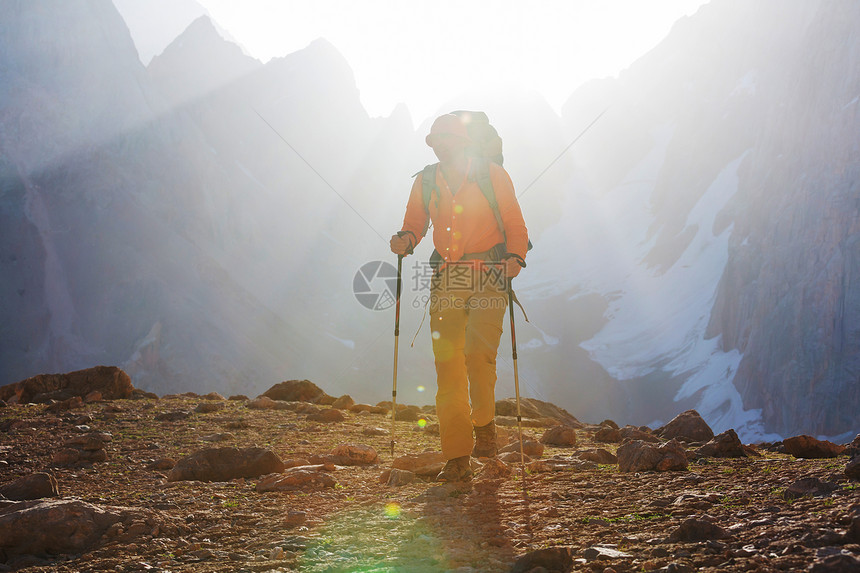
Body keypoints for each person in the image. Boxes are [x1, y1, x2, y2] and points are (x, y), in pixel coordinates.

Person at [390, 113, 529, 482]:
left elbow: (515, 222)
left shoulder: (491, 174)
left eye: (446, 138)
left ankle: (484, 425)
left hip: (491, 276)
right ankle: (457, 458)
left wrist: (516, 256)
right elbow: (414, 223)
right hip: (447, 277)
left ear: (462, 141)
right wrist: (406, 239)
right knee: (447, 366)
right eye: (435, 139)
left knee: (478, 356)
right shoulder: (426, 180)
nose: (440, 144)